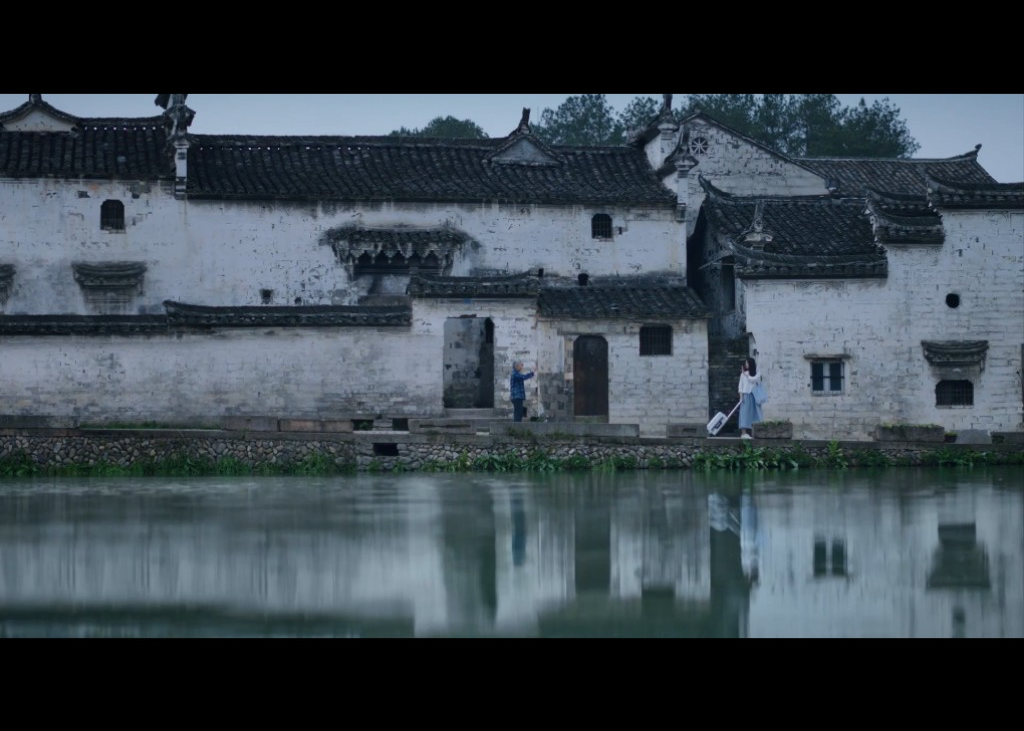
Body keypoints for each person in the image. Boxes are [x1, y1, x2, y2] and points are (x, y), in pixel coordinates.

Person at [737, 356, 763, 439]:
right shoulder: (742, 374)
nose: (746, 364)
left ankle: (755, 432)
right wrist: (741, 397)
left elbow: (753, 379)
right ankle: (743, 433)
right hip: (745, 395)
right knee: (744, 413)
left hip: (754, 395)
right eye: (745, 363)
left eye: (747, 363)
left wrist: (746, 375)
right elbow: (740, 386)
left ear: (751, 364)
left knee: (756, 413)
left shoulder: (757, 373)